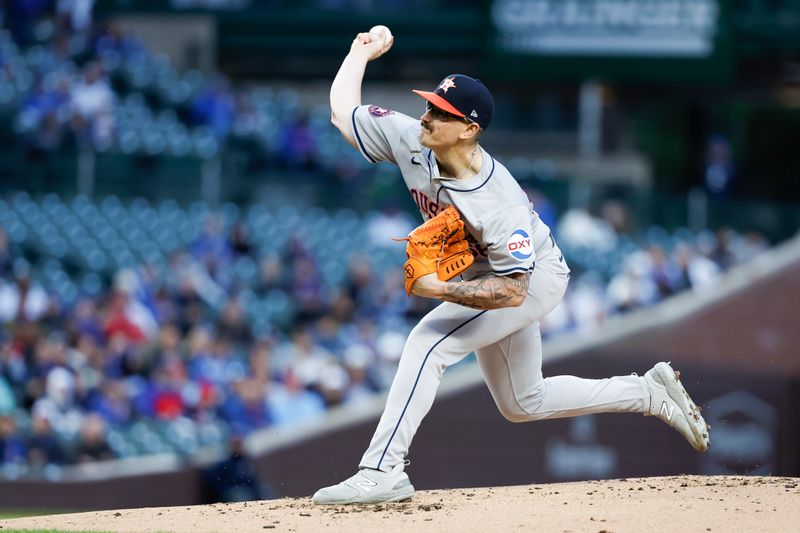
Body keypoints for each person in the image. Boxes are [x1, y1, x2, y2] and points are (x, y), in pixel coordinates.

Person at [312, 30, 710, 505]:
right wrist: (360, 53)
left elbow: (514, 291)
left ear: (468, 130)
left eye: (442, 113)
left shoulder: (495, 199)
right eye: (430, 104)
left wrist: (438, 289)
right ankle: (647, 392)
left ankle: (382, 469)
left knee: (427, 342)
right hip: (488, 275)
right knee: (524, 402)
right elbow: (342, 112)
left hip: (531, 278)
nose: (428, 115)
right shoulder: (411, 137)